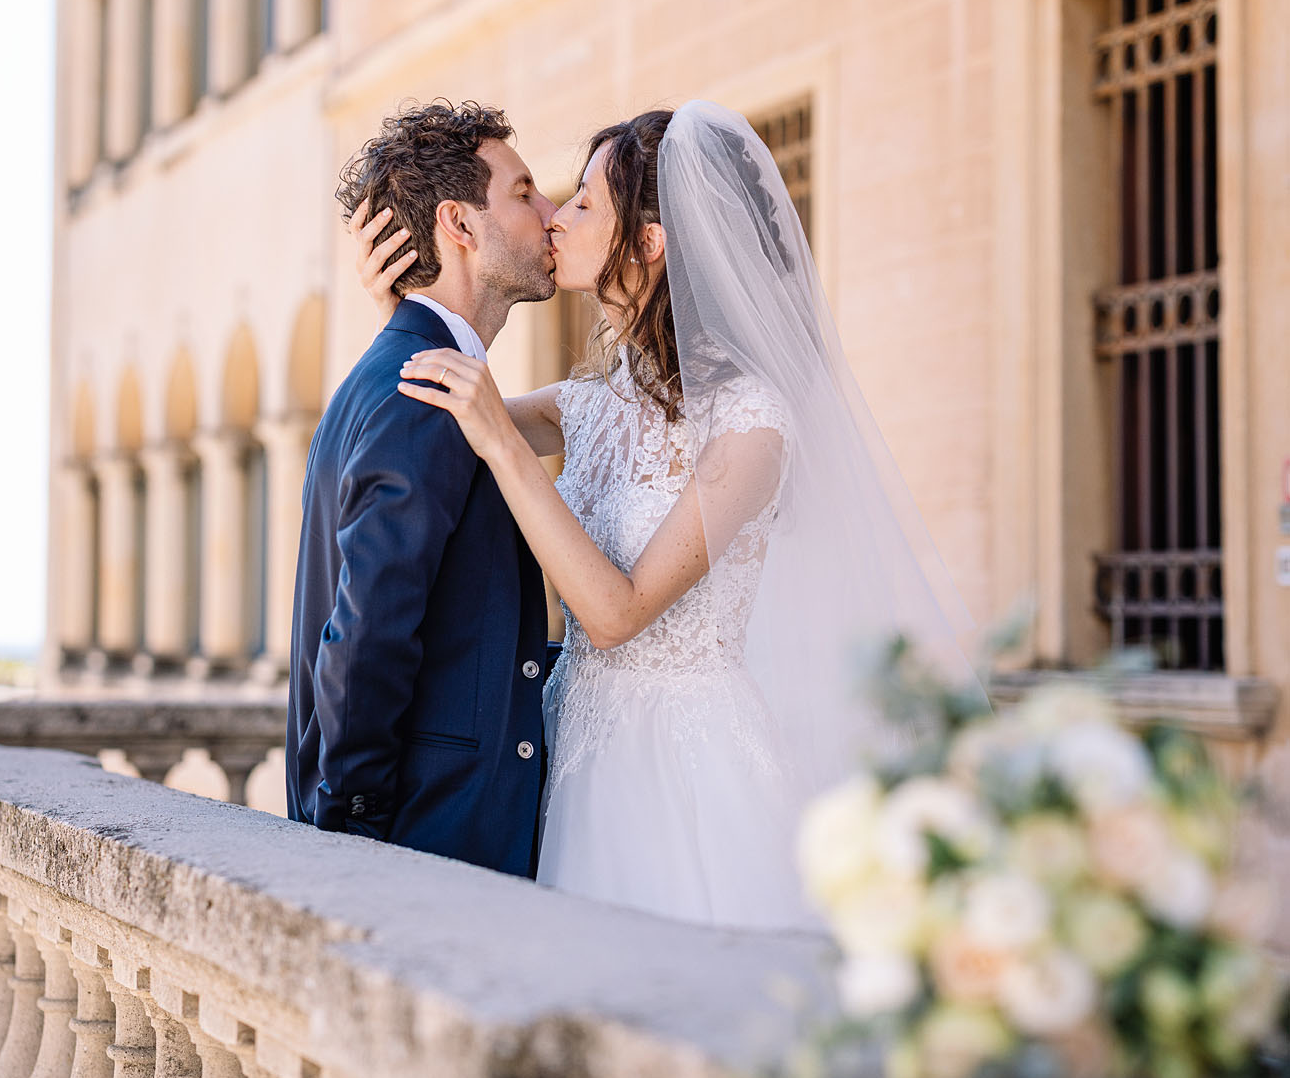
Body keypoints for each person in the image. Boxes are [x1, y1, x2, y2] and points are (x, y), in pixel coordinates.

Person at [355, 98, 973, 927]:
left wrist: (507, 446)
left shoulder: (752, 425)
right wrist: (407, 300)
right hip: (577, 748)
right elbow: (444, 398)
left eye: (583, 205)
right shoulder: (596, 403)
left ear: (647, 246)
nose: (555, 220)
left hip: (684, 771)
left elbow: (616, 614)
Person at [286, 99, 556, 873]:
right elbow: (365, 633)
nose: (548, 211)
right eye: (523, 192)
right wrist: (356, 828)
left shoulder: (406, 371)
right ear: (461, 226)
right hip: (428, 839)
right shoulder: (425, 395)